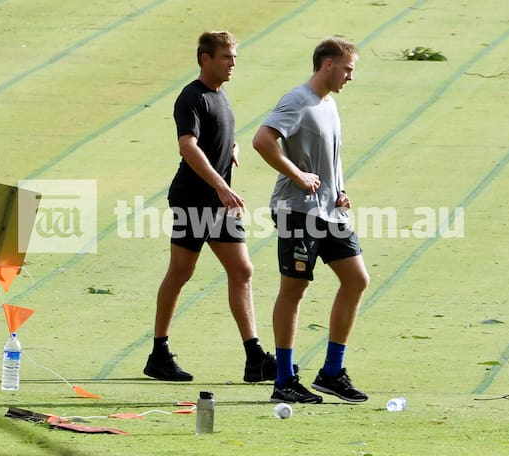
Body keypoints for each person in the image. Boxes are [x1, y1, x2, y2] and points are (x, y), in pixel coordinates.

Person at [143, 31, 278, 383]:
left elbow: (214, 135)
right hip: (195, 199)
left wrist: (230, 148)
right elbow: (187, 145)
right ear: (206, 59)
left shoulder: (220, 96)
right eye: (226, 57)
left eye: (234, 57)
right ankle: (160, 352)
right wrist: (221, 186)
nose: (233, 63)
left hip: (215, 202)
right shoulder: (191, 97)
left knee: (239, 271)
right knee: (182, 272)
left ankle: (253, 357)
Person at [252, 37, 370, 403]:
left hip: (329, 211)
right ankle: (284, 380)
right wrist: (299, 175)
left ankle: (332, 372)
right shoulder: (297, 101)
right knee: (294, 289)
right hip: (296, 211)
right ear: (328, 65)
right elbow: (262, 140)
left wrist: (340, 189)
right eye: (348, 68)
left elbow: (328, 157)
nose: (350, 76)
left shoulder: (328, 104)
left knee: (357, 279)